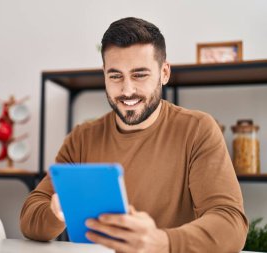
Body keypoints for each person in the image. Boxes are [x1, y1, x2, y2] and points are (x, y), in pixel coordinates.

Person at [20, 17, 248, 253]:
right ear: (104, 75)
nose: (127, 90)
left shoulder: (198, 129)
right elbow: (30, 218)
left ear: (164, 73)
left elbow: (231, 224)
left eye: (139, 75)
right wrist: (56, 212)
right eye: (115, 76)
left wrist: (162, 242)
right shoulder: (82, 137)